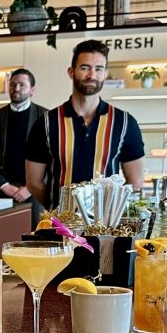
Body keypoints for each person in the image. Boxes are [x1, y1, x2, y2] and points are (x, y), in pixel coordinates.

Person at [24, 39, 145, 210]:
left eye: (98, 69)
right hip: (60, 230)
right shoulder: (46, 123)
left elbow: (136, 182)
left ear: (105, 74)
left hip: (107, 231)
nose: (91, 75)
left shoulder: (125, 123)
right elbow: (33, 183)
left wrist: (112, 213)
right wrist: (59, 210)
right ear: (71, 72)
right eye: (85, 68)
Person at [0, 68, 47, 203]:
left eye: (22, 85)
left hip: (34, 192)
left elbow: (52, 158)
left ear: (32, 90)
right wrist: (4, 185)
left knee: (38, 225)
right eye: (13, 84)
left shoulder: (45, 116)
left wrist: (30, 188)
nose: (16, 88)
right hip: (3, 192)